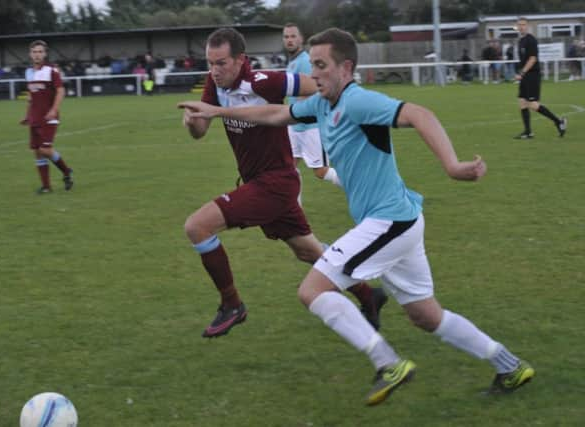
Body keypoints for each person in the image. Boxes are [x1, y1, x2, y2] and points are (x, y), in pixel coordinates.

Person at [180, 27, 535, 405]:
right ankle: (509, 365)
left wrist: (451, 165)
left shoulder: (357, 101)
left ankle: (388, 363)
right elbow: (275, 113)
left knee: (312, 291)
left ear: (346, 68)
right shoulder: (320, 104)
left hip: (389, 222)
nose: (313, 74)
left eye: (321, 65)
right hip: (402, 222)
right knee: (426, 316)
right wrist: (218, 111)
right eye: (312, 64)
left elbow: (419, 113)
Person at [178, 27, 386, 339]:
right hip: (269, 183)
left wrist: (332, 110)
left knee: (197, 226)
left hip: (273, 183)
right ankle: (369, 296)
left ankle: (232, 304)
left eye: (221, 63)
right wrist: (193, 122)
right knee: (308, 251)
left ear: (240, 60)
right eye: (210, 63)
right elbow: (201, 130)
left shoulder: (265, 81)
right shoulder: (214, 83)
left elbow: (315, 84)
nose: (214, 70)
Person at [283, 23, 341, 204]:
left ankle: (360, 184)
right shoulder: (292, 62)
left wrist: (291, 108)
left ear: (301, 39)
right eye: (286, 37)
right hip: (294, 126)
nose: (290, 40)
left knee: (320, 172)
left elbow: (314, 91)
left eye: (293, 36)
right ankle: (295, 212)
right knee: (287, 168)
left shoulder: (305, 61)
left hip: (311, 127)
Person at [20, 40, 73, 194]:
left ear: (45, 54)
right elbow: (32, 96)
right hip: (34, 118)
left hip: (49, 117)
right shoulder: (28, 72)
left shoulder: (52, 70)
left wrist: (54, 110)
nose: (37, 54)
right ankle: (46, 186)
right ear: (30, 54)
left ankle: (66, 171)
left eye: (40, 52)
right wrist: (27, 115)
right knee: (37, 151)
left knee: (45, 149)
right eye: (34, 52)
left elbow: (60, 91)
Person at [514, 17, 567, 139]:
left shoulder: (531, 40)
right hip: (524, 76)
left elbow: (532, 59)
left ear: (528, 26)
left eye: (523, 24)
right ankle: (528, 132)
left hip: (532, 75)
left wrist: (522, 73)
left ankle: (559, 122)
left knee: (532, 104)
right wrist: (520, 72)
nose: (521, 27)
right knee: (522, 102)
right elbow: (524, 59)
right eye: (519, 25)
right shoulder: (521, 41)